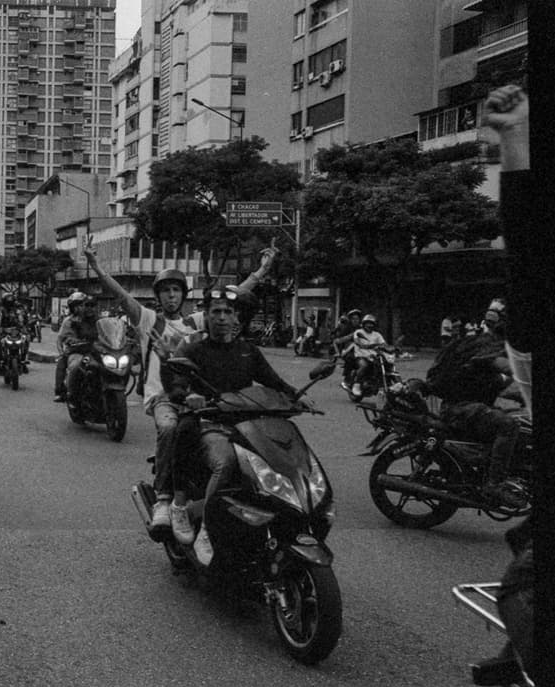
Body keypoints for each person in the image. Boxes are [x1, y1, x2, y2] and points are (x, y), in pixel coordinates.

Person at [84, 238, 277, 542]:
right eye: (165, 291)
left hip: (200, 397)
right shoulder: (148, 319)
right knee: (170, 428)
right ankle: (164, 500)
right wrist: (96, 266)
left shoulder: (198, 320)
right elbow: (120, 294)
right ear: (158, 296)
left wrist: (262, 270)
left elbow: (235, 297)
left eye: (176, 290)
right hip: (163, 397)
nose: (171, 296)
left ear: (184, 295)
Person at [166, 286, 300, 565]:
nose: (222, 317)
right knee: (225, 463)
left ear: (236, 316)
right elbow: (176, 386)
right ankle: (196, 521)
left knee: (280, 462)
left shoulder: (248, 352)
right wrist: (188, 396)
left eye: (228, 312)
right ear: (207, 316)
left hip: (248, 426)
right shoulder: (194, 349)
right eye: (216, 312)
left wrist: (297, 396)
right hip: (211, 424)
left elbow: (274, 381)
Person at [424, 298, 523, 507]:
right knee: (509, 425)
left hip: (470, 404)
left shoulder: (489, 341)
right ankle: (494, 484)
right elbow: (509, 369)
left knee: (517, 416)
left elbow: (504, 383)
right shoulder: (487, 345)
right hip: (459, 407)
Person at [52, 291, 99, 403]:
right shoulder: (69, 321)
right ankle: (68, 393)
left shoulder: (97, 320)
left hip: (95, 350)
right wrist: (61, 352)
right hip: (76, 351)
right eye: (80, 305)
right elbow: (60, 338)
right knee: (74, 366)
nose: (86, 308)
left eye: (87, 305)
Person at [349, 313, 389, 397]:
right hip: (361, 356)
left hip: (374, 357)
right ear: (364, 324)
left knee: (386, 365)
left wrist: (389, 348)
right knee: (364, 366)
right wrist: (361, 344)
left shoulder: (377, 334)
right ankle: (357, 385)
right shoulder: (359, 332)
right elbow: (356, 340)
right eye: (368, 323)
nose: (369, 325)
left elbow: (384, 344)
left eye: (371, 323)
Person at [331, 308, 363, 389]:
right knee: (350, 358)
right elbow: (339, 340)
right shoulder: (347, 328)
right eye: (353, 319)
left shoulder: (363, 328)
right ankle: (346, 379)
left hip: (363, 350)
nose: (355, 320)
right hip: (349, 350)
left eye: (357, 318)